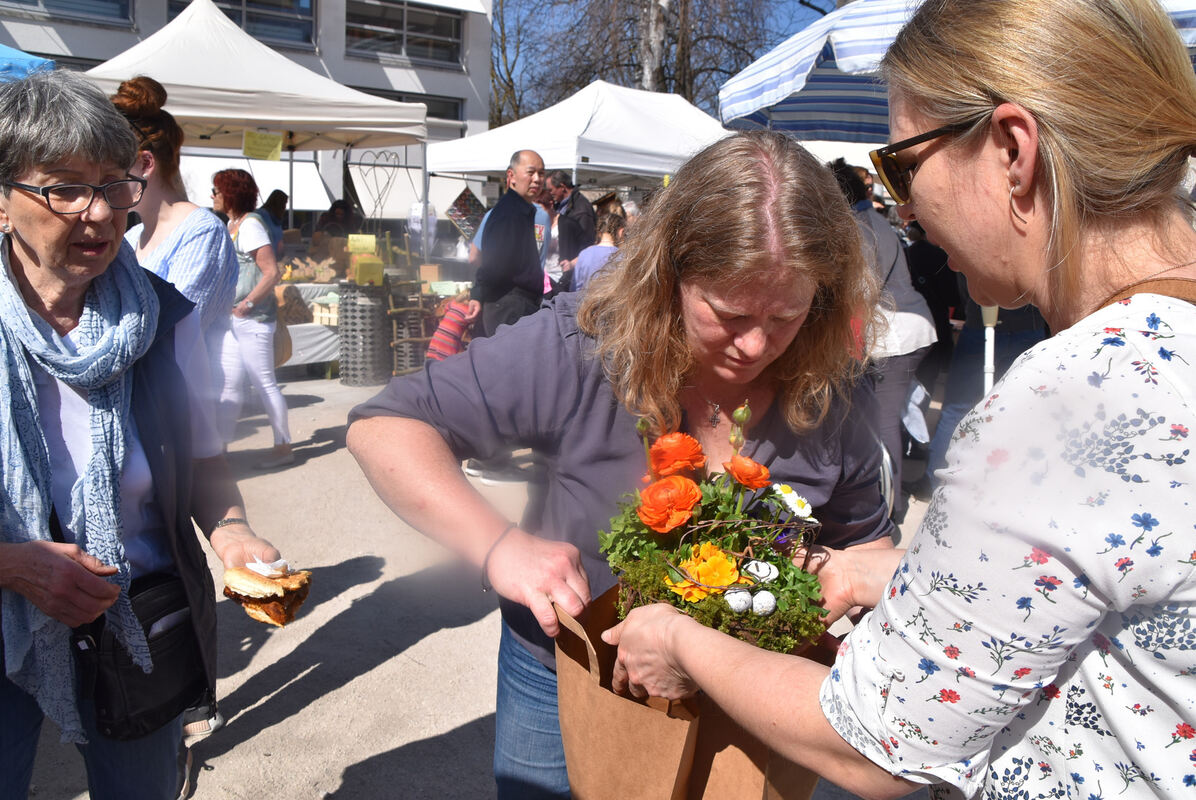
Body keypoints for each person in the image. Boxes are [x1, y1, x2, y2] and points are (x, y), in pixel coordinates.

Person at [606, 1, 1196, 798]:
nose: (905, 207)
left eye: (901, 165)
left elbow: (881, 744)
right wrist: (878, 574)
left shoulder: (1065, 407)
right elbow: (1121, 586)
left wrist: (680, 642)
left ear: (1013, 149)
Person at [347, 131, 898, 798]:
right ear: (668, 278)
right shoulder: (582, 346)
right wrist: (498, 545)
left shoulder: (836, 388)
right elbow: (386, 427)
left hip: (746, 694)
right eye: (727, 313)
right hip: (562, 676)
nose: (755, 344)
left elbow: (864, 545)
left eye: (787, 315)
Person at [0, 69, 282, 800]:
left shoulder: (161, 318)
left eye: (116, 183)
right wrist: (14, 566)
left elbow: (200, 457)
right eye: (64, 187)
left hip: (133, 622)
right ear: (2, 200)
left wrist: (234, 535)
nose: (99, 213)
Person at [111, 73, 241, 747]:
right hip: (144, 409)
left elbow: (157, 320)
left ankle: (198, 698)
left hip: (190, 408)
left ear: (143, 165)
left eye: (111, 171)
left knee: (184, 553)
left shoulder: (203, 231)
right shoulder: (132, 241)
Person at [831, 158, 936, 524]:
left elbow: (859, 293)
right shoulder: (871, 223)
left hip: (896, 334)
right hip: (903, 330)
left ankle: (888, 509)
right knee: (883, 418)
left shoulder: (861, 229)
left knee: (882, 420)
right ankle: (889, 503)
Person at [211, 169, 294, 469]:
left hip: (254, 319)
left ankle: (283, 446)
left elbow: (272, 272)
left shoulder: (251, 225)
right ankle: (218, 450)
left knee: (264, 383)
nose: (213, 196)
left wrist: (246, 304)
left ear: (230, 194)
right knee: (230, 383)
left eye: (217, 190)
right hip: (236, 319)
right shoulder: (234, 224)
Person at [904, 220, 959, 392]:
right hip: (935, 326)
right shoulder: (939, 256)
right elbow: (953, 297)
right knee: (927, 383)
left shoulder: (905, 254)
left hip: (907, 326)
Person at [570, 210, 625, 293]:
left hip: (584, 303)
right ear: (621, 231)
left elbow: (574, 288)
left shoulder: (584, 254)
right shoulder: (622, 256)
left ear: (599, 232)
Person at [545, 169, 596, 251]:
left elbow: (587, 243)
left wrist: (573, 262)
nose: (549, 193)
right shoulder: (558, 205)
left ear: (562, 187)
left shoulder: (581, 209)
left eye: (550, 190)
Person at [256, 189, 288, 258]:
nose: (285, 208)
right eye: (284, 204)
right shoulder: (261, 215)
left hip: (273, 258)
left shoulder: (276, 219)